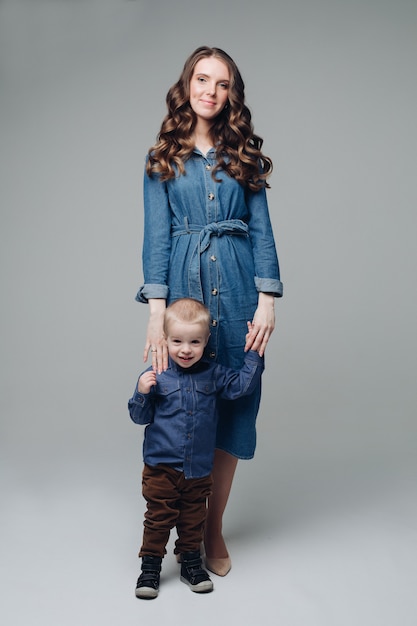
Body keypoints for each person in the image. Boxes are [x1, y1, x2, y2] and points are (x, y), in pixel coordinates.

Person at [135, 45, 283, 577]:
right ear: (187, 84)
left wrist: (267, 300)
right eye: (202, 79)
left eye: (221, 84)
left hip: (241, 289)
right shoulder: (162, 157)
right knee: (186, 405)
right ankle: (179, 529)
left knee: (236, 407)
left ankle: (211, 523)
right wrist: (157, 311)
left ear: (231, 94)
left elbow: (262, 230)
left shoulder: (242, 154)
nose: (210, 91)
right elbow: (156, 238)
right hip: (185, 294)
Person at [129, 298, 264, 599]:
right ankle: (150, 567)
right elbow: (140, 417)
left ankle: (191, 562)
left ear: (205, 342)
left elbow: (242, 386)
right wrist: (141, 392)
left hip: (199, 467)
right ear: (165, 340)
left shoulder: (213, 373)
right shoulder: (158, 375)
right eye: (177, 341)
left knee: (193, 519)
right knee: (158, 519)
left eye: (194, 342)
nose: (185, 349)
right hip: (161, 467)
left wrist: (254, 351)